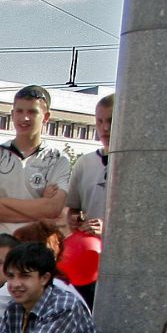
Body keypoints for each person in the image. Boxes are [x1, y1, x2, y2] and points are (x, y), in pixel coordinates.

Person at [0, 86, 71, 241]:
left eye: (32, 112)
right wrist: (38, 209)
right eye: (19, 111)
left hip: (34, 249)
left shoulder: (59, 159)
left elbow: (53, 209)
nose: (24, 118)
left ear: (46, 117)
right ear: (12, 114)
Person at [67, 94, 114, 237]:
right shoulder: (84, 163)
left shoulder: (139, 164)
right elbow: (72, 210)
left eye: (111, 121)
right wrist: (74, 220)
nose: (105, 128)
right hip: (89, 247)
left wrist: (107, 228)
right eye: (99, 121)